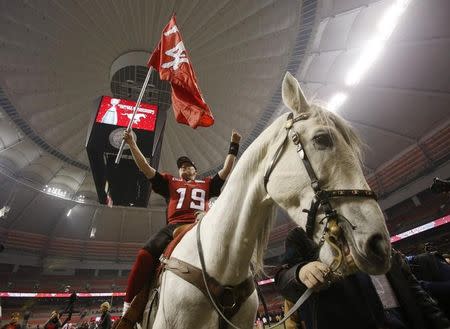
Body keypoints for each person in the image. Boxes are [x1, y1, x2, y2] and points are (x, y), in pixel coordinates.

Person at [121, 128, 241, 315]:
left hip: (201, 225)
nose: (184, 168)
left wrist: (234, 145)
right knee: (144, 255)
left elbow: (225, 171)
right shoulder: (170, 181)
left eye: (187, 166)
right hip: (174, 226)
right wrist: (132, 144)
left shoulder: (207, 183)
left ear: (195, 170)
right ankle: (128, 306)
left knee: (233, 244)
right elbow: (145, 167)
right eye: (181, 166)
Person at [275, 227, 450, 329]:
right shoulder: (302, 235)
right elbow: (284, 278)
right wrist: (300, 271)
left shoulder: (369, 225)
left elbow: (417, 293)